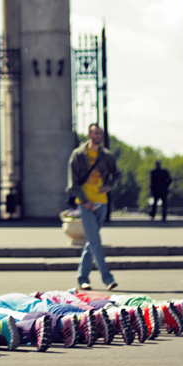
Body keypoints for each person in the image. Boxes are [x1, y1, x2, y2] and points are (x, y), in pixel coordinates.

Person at [67, 123, 118, 291]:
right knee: (95, 241)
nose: (98, 135)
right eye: (95, 133)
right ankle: (108, 278)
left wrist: (109, 186)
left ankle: (82, 277)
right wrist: (84, 200)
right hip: (85, 203)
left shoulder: (106, 155)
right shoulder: (78, 154)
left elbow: (117, 174)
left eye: (100, 133)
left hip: (101, 202)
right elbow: (73, 182)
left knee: (92, 241)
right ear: (89, 134)